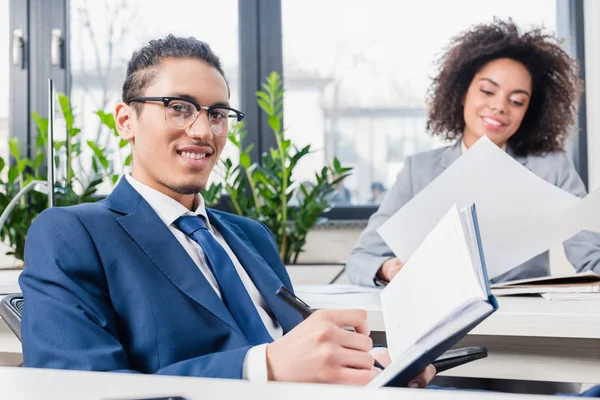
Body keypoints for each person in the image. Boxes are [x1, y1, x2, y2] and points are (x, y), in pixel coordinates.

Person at [19, 35, 435, 387]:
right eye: (179, 107)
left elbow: (297, 349)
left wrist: (362, 367)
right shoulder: (73, 233)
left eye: (217, 114)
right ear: (126, 120)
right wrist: (265, 367)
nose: (203, 131)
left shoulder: (252, 236)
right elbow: (77, 387)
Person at [346, 19, 600, 288]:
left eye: (517, 101)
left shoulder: (551, 168)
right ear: (462, 93)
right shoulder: (418, 171)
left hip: (525, 320)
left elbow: (591, 257)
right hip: (443, 317)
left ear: (530, 111)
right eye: (488, 91)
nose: (500, 106)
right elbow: (362, 258)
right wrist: (389, 269)